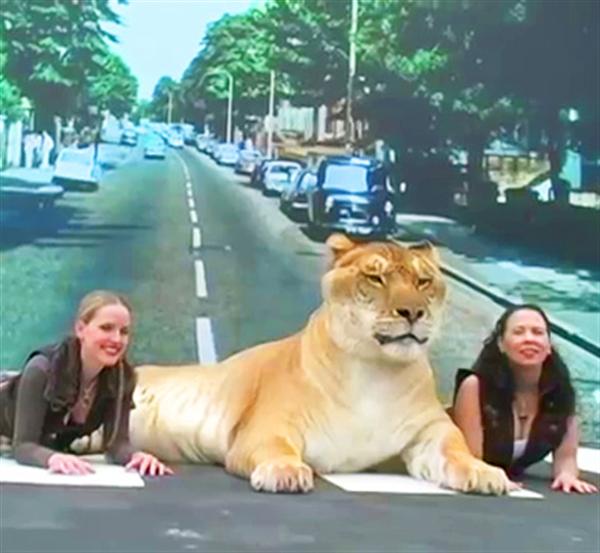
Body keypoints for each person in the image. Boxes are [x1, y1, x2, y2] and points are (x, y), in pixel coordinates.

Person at [0, 290, 173, 477]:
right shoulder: (42, 369)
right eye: (106, 328)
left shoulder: (122, 378)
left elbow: (116, 445)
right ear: (81, 329)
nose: (116, 339)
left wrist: (137, 456)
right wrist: (52, 458)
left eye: (124, 332)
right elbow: (23, 446)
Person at [452, 304, 597, 493]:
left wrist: (566, 475)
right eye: (518, 332)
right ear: (501, 344)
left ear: (548, 346)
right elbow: (471, 458)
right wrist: (494, 480)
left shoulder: (559, 391)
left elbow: (566, 458)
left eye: (537, 332)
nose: (529, 339)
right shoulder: (475, 387)